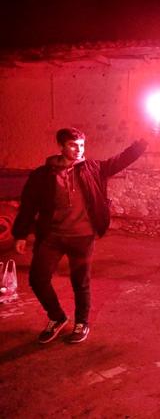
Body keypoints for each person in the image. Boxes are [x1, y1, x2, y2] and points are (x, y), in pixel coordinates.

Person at [12, 128, 148, 344]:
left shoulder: (93, 168)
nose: (79, 150)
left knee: (80, 282)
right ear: (61, 147)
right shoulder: (42, 175)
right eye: (73, 145)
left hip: (82, 237)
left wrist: (144, 140)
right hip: (51, 236)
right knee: (37, 279)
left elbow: (123, 159)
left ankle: (81, 322)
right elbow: (28, 204)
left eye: (82, 145)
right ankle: (57, 317)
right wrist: (20, 233)